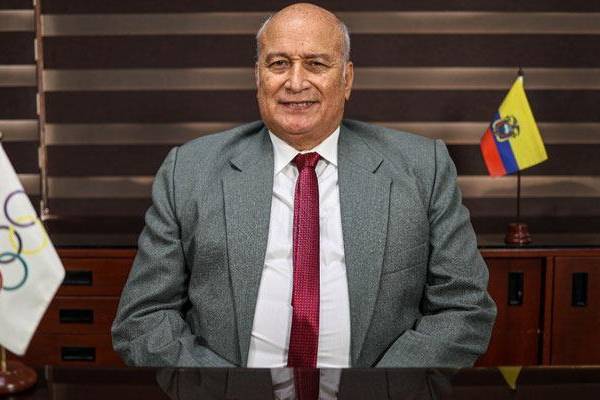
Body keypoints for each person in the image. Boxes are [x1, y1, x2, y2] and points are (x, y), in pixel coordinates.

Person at [112, 3, 496, 368]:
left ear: (346, 79)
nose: (295, 82)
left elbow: (463, 308)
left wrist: (384, 387)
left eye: (316, 64)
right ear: (258, 77)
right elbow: (144, 319)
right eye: (279, 63)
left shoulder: (422, 167)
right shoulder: (189, 171)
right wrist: (219, 387)